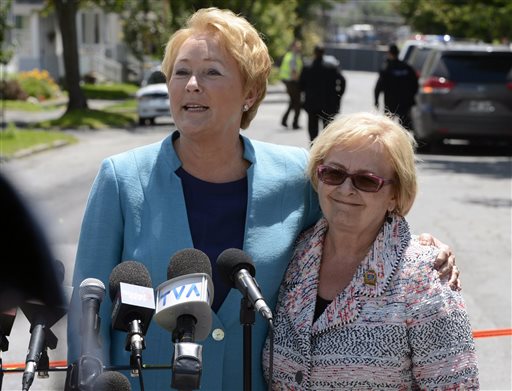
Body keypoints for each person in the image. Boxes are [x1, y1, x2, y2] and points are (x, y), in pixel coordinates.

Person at [68, 8, 458, 391]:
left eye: (211, 73)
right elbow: (88, 312)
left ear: (250, 93)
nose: (191, 85)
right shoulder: (121, 179)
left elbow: (359, 224)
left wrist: (424, 250)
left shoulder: (297, 175)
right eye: (180, 72)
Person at [262, 112, 479, 390]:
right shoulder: (293, 254)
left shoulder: (424, 278)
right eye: (334, 173)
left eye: (366, 181)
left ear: (395, 195)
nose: (346, 189)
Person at [300, 44, 346, 141]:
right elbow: (342, 81)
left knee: (313, 129)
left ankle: (313, 149)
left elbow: (300, 84)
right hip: (328, 103)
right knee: (328, 130)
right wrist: (338, 95)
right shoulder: (332, 67)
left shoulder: (308, 67)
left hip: (312, 103)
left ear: (314, 53)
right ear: (323, 53)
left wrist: (305, 94)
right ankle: (324, 150)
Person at [374, 43, 418, 131]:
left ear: (389, 53)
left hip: (390, 102)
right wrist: (412, 100)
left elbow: (379, 86)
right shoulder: (407, 68)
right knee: (405, 128)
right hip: (405, 103)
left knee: (386, 129)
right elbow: (415, 84)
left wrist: (376, 100)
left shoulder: (387, 68)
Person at [279, 40, 303, 129]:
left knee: (292, 102)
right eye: (297, 46)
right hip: (293, 83)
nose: (299, 48)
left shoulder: (289, 55)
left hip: (288, 82)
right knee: (297, 103)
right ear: (292, 47)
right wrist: (300, 82)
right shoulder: (293, 56)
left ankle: (284, 120)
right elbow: (294, 73)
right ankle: (295, 123)